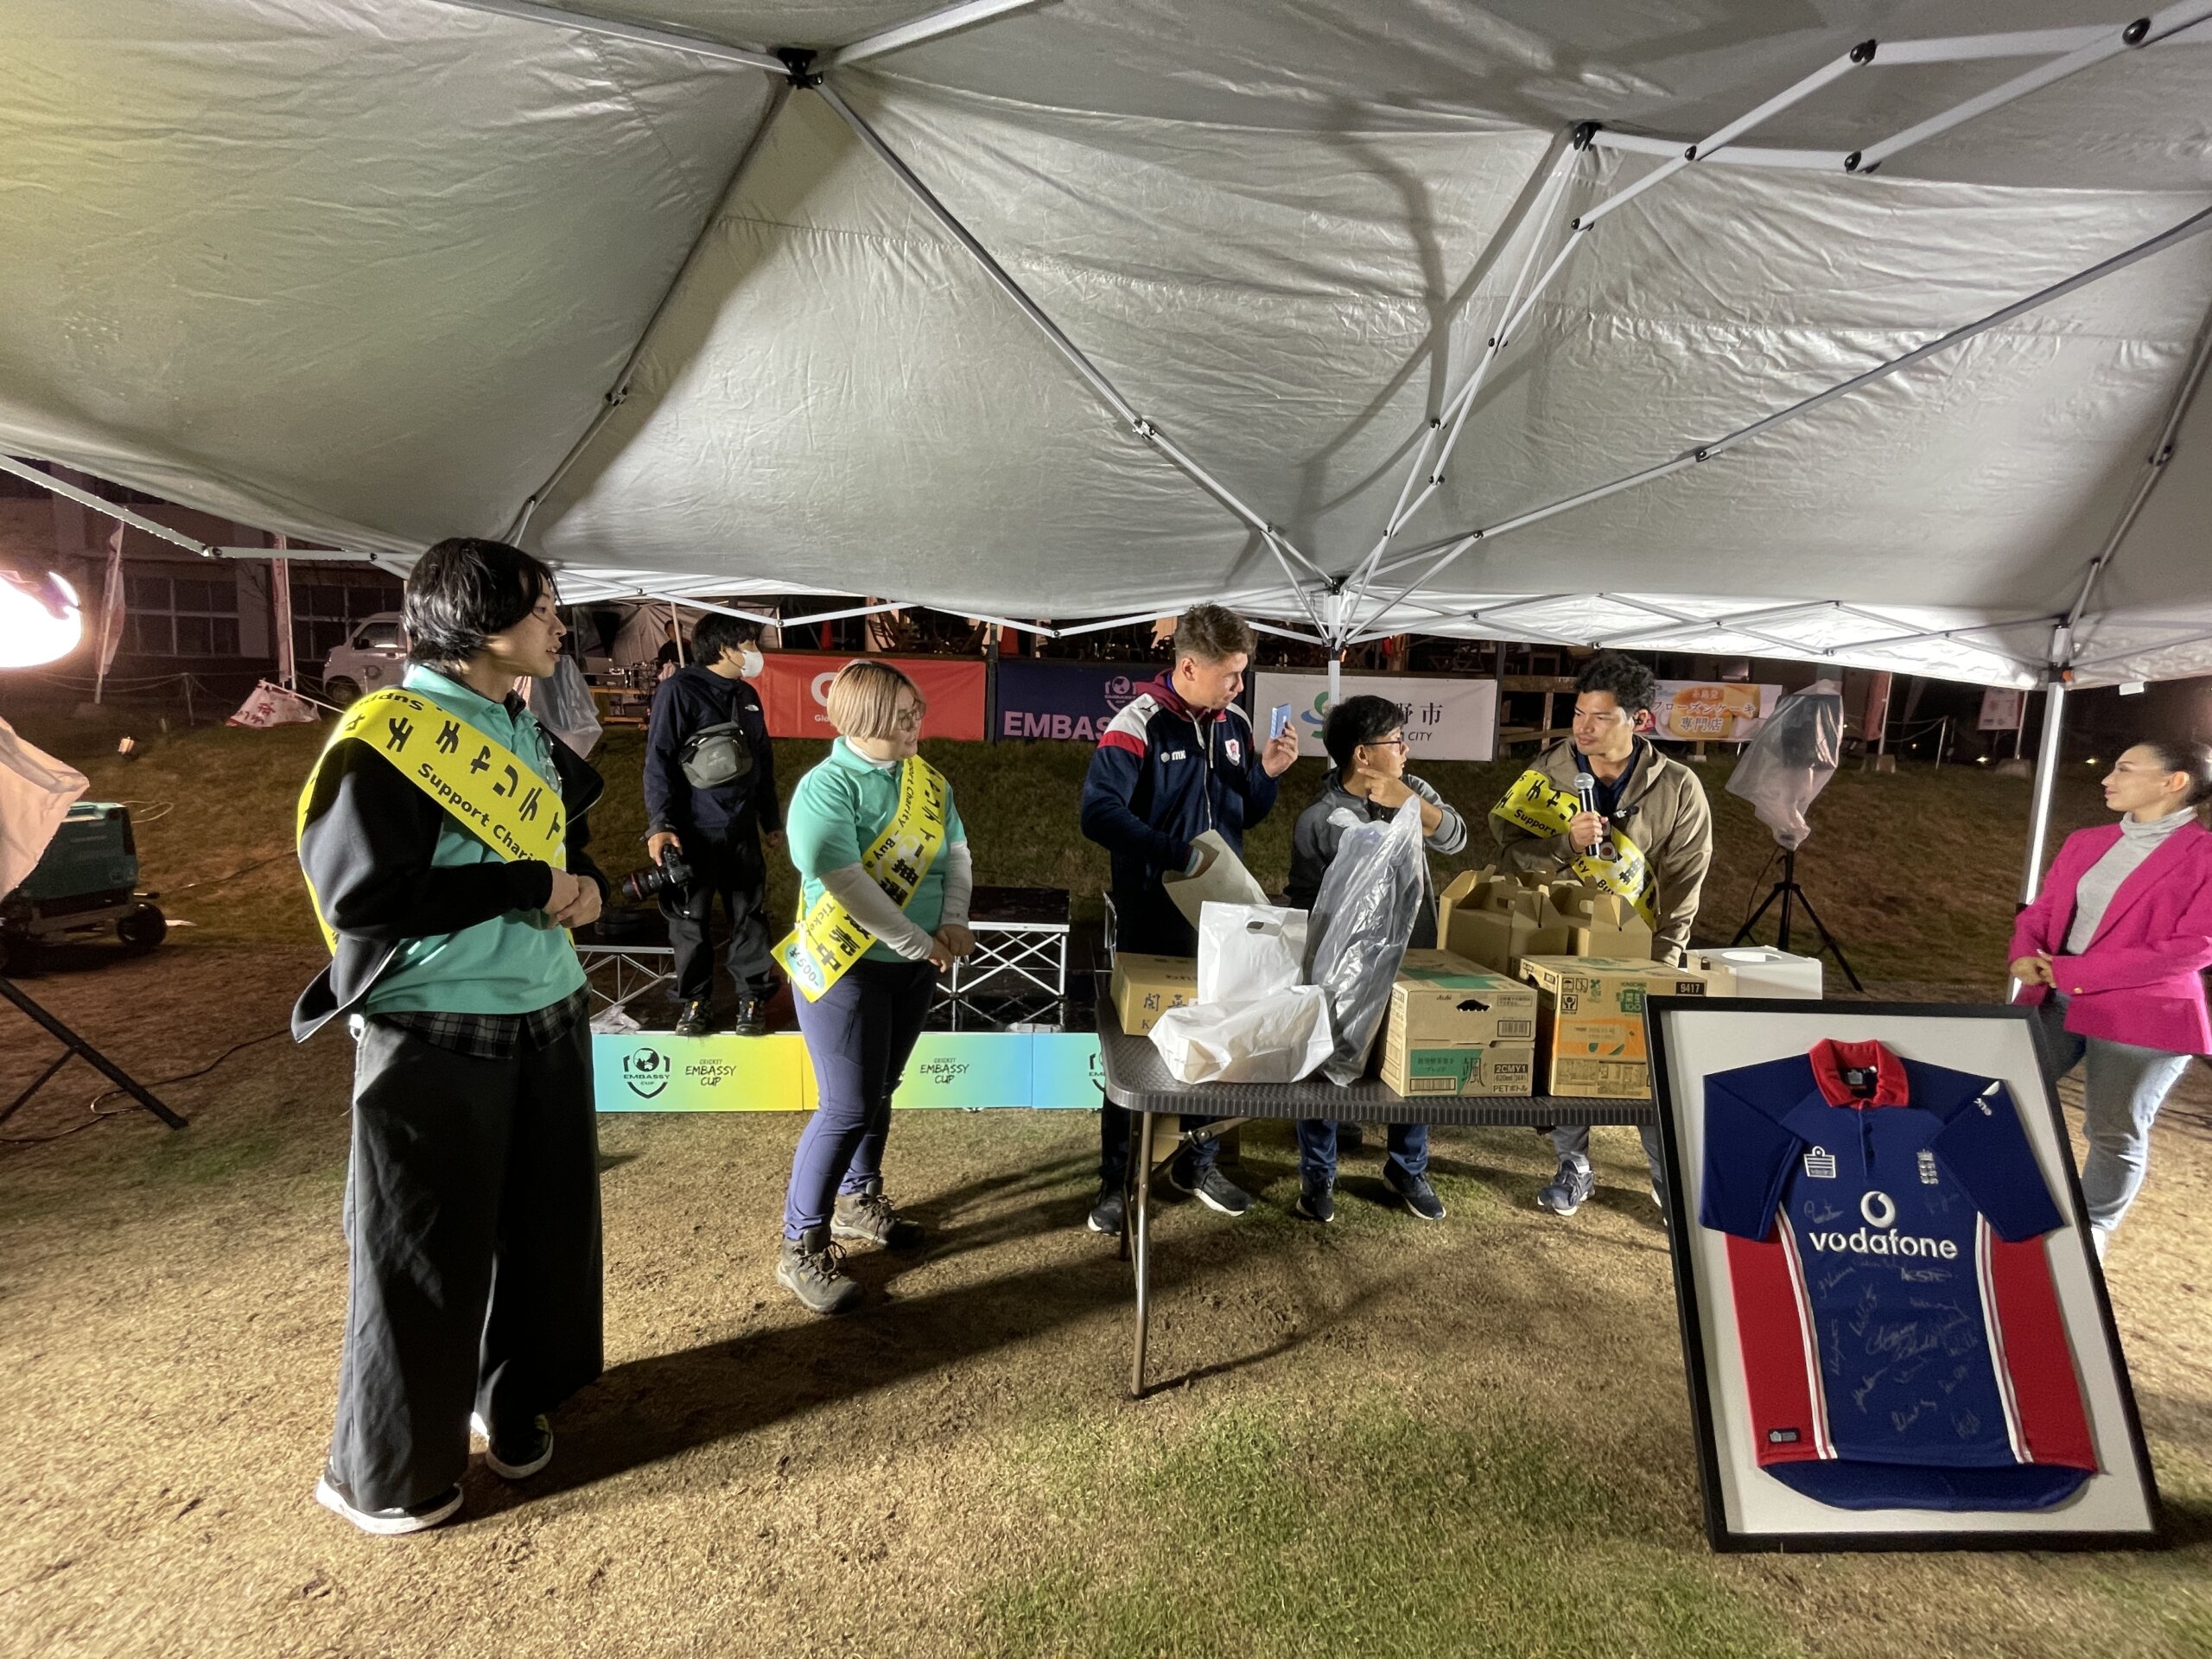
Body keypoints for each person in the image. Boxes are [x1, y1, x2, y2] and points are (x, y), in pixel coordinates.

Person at [293, 537, 608, 1536]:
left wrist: (581, 886)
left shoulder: (518, 722)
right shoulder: (383, 735)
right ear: (477, 622)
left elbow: (558, 845)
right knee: (421, 1256)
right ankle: (391, 1470)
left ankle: (511, 1404)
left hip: (549, 1011)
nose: (561, 624)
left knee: (545, 1238)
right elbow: (363, 896)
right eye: (542, 607)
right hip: (434, 1026)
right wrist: (525, 884)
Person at [1079, 604, 1300, 1231]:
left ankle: (1196, 1164)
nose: (1239, 686)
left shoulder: (1234, 722)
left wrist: (1267, 775)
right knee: (1137, 1052)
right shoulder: (1136, 724)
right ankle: (1117, 1180)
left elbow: (1245, 811)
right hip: (1152, 917)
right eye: (1231, 674)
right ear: (1189, 667)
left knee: (1216, 1043)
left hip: (1223, 919)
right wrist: (1176, 854)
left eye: (1242, 674)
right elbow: (1098, 815)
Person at [775, 661, 974, 1314]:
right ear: (865, 717)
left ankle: (860, 1200)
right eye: (904, 713)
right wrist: (920, 941)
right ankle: (800, 1244)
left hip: (913, 966)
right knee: (845, 1106)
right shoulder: (826, 787)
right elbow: (845, 882)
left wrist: (953, 918)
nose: (918, 722)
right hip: (846, 968)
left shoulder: (927, 781)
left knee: (880, 1089)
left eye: (918, 710)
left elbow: (956, 853)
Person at [1491, 651, 1712, 1217]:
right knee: (1568, 1057)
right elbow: (1511, 854)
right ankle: (1574, 1164)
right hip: (1563, 945)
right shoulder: (1549, 774)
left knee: (1652, 1066)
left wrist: (1665, 960)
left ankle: (1666, 1177)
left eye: (1600, 717)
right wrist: (1566, 844)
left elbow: (1685, 881)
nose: (1583, 728)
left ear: (1640, 721)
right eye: (1578, 713)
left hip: (1644, 949)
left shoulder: (1678, 788)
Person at [2009, 739, 2212, 1257]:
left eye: (2124, 768)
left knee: (2113, 1127)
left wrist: (2073, 972)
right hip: (2053, 997)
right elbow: (2042, 910)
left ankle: (2092, 1229)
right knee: (1998, 1093)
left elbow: (2194, 947)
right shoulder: (2087, 841)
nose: (2107, 778)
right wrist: (2023, 952)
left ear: (2174, 782)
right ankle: (2001, 1199)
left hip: (2145, 1014)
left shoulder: (2206, 855)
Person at [1285, 694, 1468, 1224]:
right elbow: (1307, 897)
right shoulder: (1319, 819)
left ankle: (1407, 1167)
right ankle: (1318, 1174)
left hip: (1412, 955)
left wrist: (1411, 802)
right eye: (1396, 741)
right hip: (1340, 970)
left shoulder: (1416, 792)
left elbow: (1456, 838)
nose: (1406, 749)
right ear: (1362, 754)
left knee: (1412, 1058)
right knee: (1324, 1064)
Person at [643, 612, 782, 1037]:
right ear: (726, 649)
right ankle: (695, 1002)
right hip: (693, 833)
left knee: (750, 916)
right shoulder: (679, 691)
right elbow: (659, 760)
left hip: (741, 831)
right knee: (691, 921)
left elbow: (762, 761)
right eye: (750, 644)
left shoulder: (747, 695)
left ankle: (752, 998)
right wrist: (661, 824)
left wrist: (770, 820)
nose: (756, 652)